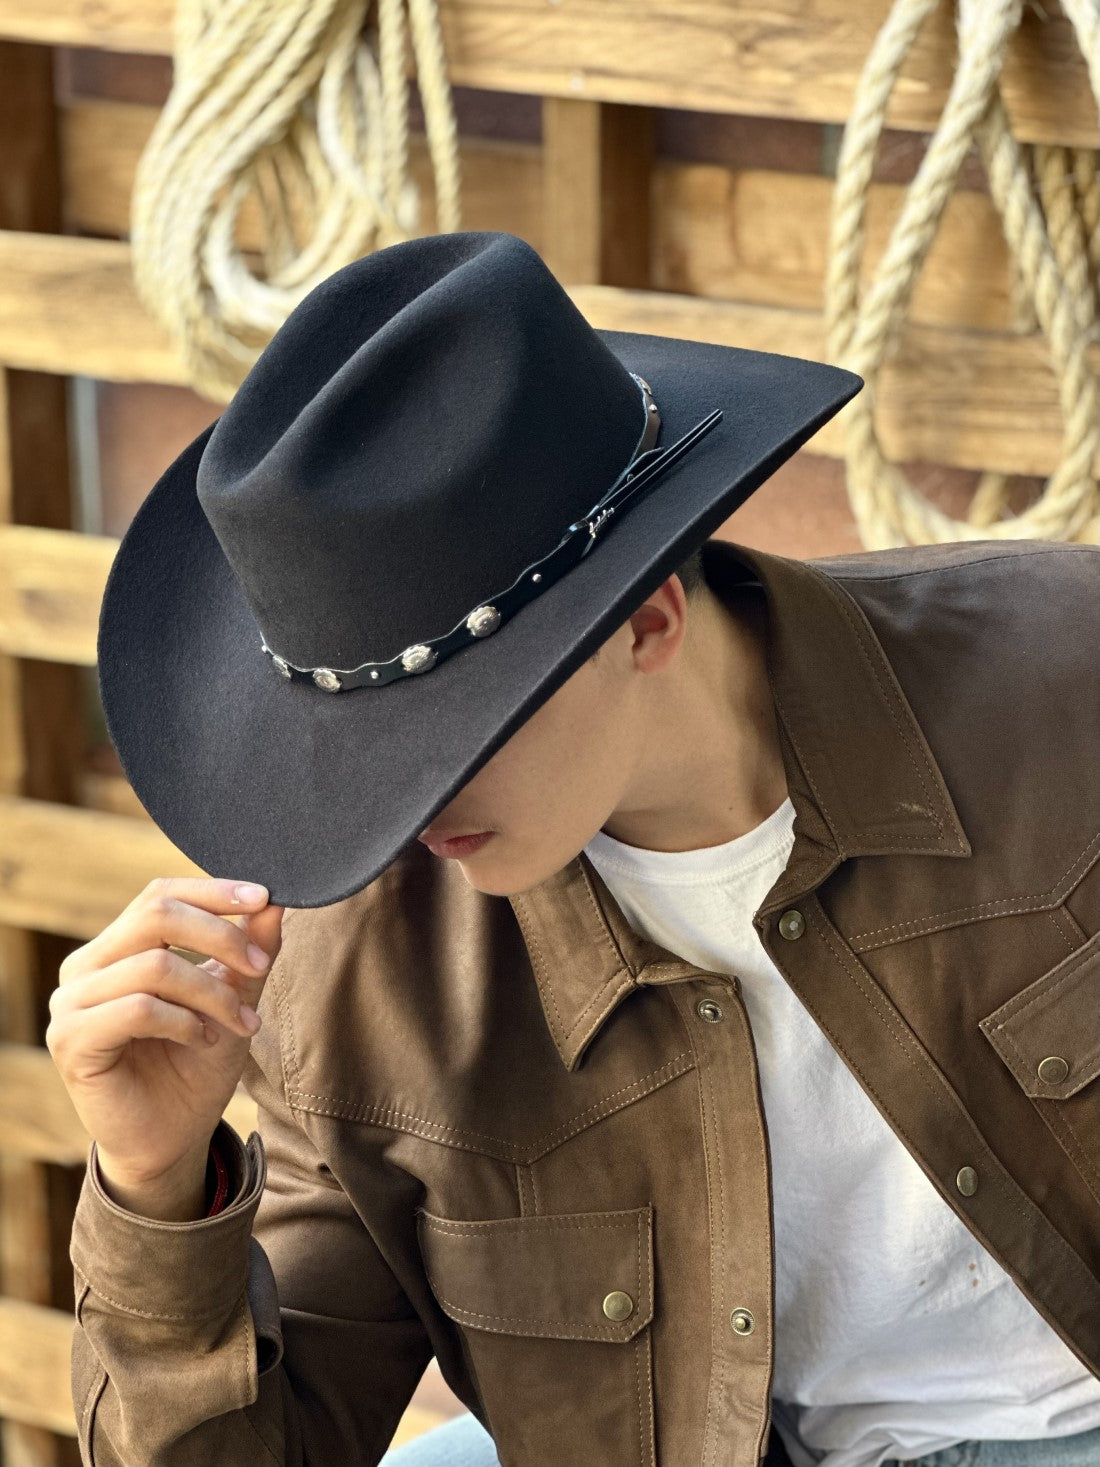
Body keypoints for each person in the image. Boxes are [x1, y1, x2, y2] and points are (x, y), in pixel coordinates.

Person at [49, 231, 1100, 1467]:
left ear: (646, 619)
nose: (400, 809)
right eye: (351, 751)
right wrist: (156, 1182)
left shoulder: (1065, 690)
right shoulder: (351, 980)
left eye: (453, 728)